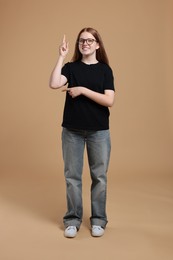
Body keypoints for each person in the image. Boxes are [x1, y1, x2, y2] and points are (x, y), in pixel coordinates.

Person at [49, 27, 115, 238]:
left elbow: (109, 101)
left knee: (99, 177)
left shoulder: (105, 70)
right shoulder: (70, 67)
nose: (85, 43)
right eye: (81, 41)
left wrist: (82, 90)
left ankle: (98, 220)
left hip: (99, 132)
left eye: (89, 40)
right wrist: (61, 56)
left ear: (97, 44)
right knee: (72, 177)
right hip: (72, 131)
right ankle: (72, 219)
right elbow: (53, 84)